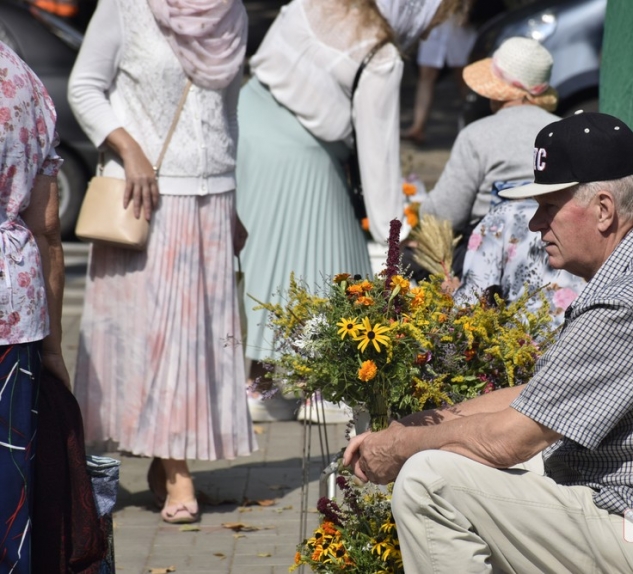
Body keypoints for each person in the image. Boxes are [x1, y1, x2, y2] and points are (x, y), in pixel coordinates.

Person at [344, 112, 633, 573]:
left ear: (603, 209)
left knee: (428, 480)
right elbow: (538, 398)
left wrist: (402, 447)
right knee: (456, 455)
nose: (536, 223)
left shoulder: (628, 302)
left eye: (549, 206)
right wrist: (414, 426)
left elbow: (510, 440)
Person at [68, 0, 255, 523]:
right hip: (144, 201)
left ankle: (167, 458)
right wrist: (129, 150)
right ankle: (177, 471)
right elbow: (84, 86)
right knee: (156, 339)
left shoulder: (232, 13)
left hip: (213, 198)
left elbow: (229, 114)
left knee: (194, 342)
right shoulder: (125, 7)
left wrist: (233, 199)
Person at [237, 0, 463, 408]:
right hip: (302, 157)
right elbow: (378, 156)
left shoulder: (317, 3)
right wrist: (396, 232)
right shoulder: (381, 56)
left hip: (245, 123)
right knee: (335, 271)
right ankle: (319, 394)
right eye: (432, 23)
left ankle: (257, 385)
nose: (427, 34)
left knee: (255, 263)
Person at [1, 40, 69, 571]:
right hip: (16, 304)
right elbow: (47, 227)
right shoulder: (24, 81)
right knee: (10, 476)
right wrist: (54, 349)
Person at [416, 36, 561, 279]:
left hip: (488, 261)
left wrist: (421, 210)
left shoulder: (476, 135)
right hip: (554, 259)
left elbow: (443, 215)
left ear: (497, 90)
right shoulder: (564, 131)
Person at [454, 182, 586, 331]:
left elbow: (467, 306)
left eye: (550, 207)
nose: (533, 224)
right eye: (538, 204)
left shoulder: (505, 215)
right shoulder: (507, 216)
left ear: (603, 209)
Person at [401, 13, 477, 144]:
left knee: (464, 78)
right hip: (435, 24)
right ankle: (418, 126)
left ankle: (475, 126)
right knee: (426, 76)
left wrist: (466, 10)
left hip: (458, 24)